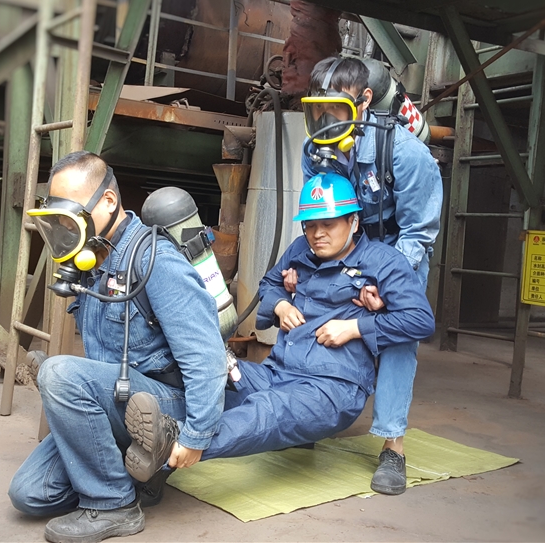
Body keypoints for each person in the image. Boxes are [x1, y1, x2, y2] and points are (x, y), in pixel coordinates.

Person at [123, 173, 435, 498]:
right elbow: (270, 284)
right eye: (310, 225)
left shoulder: (383, 262)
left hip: (330, 389)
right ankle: (142, 432)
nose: (317, 234)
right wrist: (281, 304)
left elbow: (420, 320)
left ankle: (171, 450)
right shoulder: (301, 249)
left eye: (328, 224)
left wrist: (355, 328)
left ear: (353, 222)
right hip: (275, 374)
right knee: (211, 373)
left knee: (266, 411)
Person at [7, 151, 228, 543]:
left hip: (162, 404)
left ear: (108, 200)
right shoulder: (93, 259)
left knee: (59, 373)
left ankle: (113, 504)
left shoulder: (155, 260)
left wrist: (196, 436)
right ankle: (141, 475)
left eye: (70, 216)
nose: (65, 228)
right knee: (30, 494)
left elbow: (206, 355)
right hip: (119, 401)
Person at [290, 56, 443, 495]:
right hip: (348, 247)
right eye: (317, 111)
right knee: (314, 314)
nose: (325, 121)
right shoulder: (315, 152)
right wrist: (305, 269)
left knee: (395, 336)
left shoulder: (405, 153)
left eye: (336, 110)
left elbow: (419, 231)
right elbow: (317, 215)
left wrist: (380, 283)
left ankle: (393, 447)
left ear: (364, 101)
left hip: (399, 251)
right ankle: (308, 415)